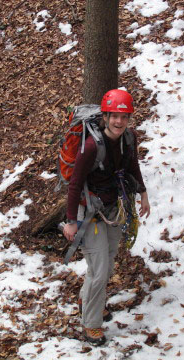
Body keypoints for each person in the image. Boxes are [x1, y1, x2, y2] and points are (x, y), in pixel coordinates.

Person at [62, 89, 150, 346]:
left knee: (106, 266)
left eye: (124, 117)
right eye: (114, 116)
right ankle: (91, 325)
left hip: (113, 209)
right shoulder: (91, 146)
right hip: (89, 213)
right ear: (106, 115)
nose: (119, 122)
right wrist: (70, 220)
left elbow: (133, 166)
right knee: (100, 272)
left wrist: (143, 193)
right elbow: (75, 183)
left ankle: (86, 300)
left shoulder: (128, 138)